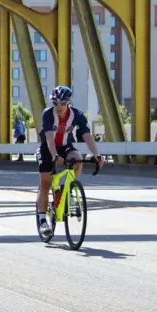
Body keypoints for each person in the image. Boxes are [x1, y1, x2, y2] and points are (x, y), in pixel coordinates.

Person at [36, 85, 103, 237]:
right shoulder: (48, 114)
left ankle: (68, 189)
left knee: (77, 159)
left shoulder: (77, 115)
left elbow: (87, 137)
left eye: (63, 103)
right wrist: (54, 156)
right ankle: (42, 221)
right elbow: (49, 140)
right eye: (56, 103)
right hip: (48, 148)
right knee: (45, 182)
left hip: (65, 146)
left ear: (69, 102)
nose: (59, 107)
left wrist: (97, 155)